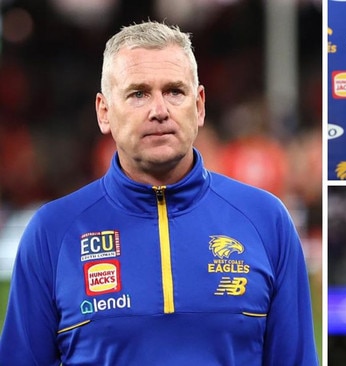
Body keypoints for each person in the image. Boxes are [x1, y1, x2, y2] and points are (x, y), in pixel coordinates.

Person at [0, 21, 318, 366]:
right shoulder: (52, 231)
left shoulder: (266, 220)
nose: (159, 110)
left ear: (198, 106)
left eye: (174, 92)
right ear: (104, 112)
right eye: (138, 94)